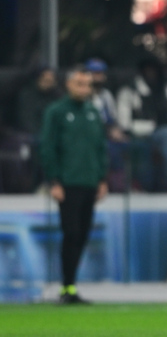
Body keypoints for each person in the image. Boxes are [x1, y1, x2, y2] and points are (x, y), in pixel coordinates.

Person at [40, 65, 109, 304]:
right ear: (68, 84)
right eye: (79, 83)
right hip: (67, 183)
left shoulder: (92, 111)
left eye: (87, 84)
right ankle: (66, 287)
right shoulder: (56, 112)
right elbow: (48, 147)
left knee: (82, 235)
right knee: (71, 233)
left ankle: (71, 286)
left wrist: (102, 178)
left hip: (90, 182)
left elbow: (100, 148)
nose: (84, 89)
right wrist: (54, 180)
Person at [117, 57, 167, 192]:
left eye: (155, 69)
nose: (152, 73)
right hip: (143, 135)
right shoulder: (129, 91)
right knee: (166, 134)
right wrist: (152, 127)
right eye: (148, 69)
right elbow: (124, 124)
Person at [85, 58, 129, 192]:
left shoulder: (106, 95)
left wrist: (117, 131)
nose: (98, 77)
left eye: (100, 73)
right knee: (107, 149)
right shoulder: (84, 95)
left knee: (126, 144)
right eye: (94, 73)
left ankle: (126, 186)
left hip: (107, 134)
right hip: (90, 135)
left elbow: (113, 118)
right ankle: (106, 185)